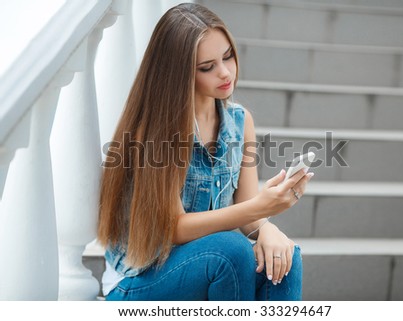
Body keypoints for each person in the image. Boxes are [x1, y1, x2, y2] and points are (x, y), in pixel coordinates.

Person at [97, 2, 314, 301]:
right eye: (207, 67)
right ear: (179, 73)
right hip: (139, 280)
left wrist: (266, 227)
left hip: (205, 264)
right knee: (231, 251)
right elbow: (173, 230)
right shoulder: (156, 130)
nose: (225, 73)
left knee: (285, 258)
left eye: (228, 56)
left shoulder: (240, 121)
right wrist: (262, 208)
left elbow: (247, 207)